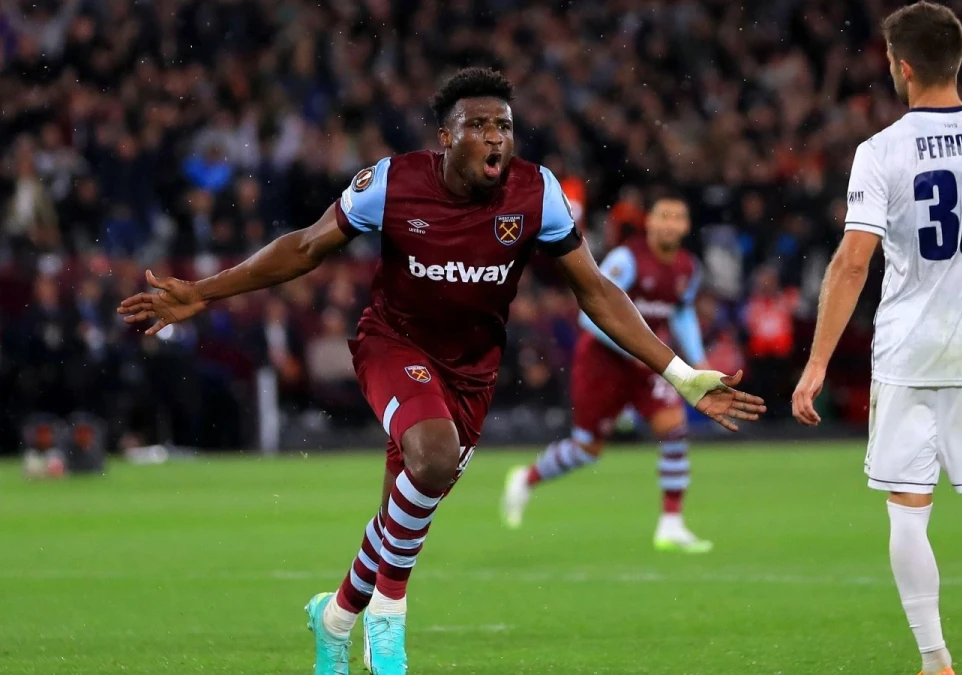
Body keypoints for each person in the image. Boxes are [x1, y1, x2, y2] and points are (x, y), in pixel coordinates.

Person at [117, 68, 765, 675]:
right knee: (429, 458)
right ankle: (389, 626)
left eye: (504, 126)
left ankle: (335, 614)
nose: (495, 138)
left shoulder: (537, 193)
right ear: (445, 137)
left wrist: (681, 373)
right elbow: (306, 246)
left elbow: (595, 290)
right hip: (393, 346)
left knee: (404, 506)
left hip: (473, 371)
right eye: (479, 125)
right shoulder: (392, 184)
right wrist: (207, 290)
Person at [790, 4, 962, 675]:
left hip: (909, 352)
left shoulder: (882, 151)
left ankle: (935, 659)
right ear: (958, 60)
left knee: (907, 510)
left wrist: (815, 364)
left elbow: (851, 261)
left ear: (902, 67)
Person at [503, 195, 713, 553]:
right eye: (664, 215)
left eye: (678, 217)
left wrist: (698, 360)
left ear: (686, 226)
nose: (670, 224)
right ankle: (527, 477)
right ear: (650, 222)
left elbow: (680, 313)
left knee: (673, 429)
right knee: (587, 450)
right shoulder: (626, 260)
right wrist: (635, 350)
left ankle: (671, 524)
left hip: (647, 364)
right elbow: (589, 317)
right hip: (602, 363)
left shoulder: (688, 268)